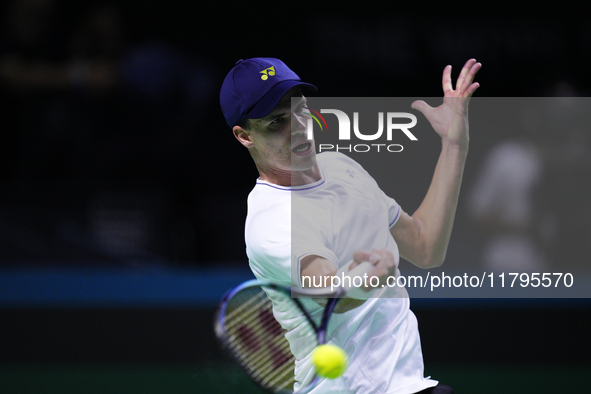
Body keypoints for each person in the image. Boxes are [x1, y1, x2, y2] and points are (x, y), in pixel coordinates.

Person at [220, 57, 481, 394]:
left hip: (407, 385)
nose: (298, 125)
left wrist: (454, 145)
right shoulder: (271, 221)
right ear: (244, 136)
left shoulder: (341, 167)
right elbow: (332, 293)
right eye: (276, 122)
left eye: (299, 109)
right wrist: (368, 275)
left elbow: (425, 246)